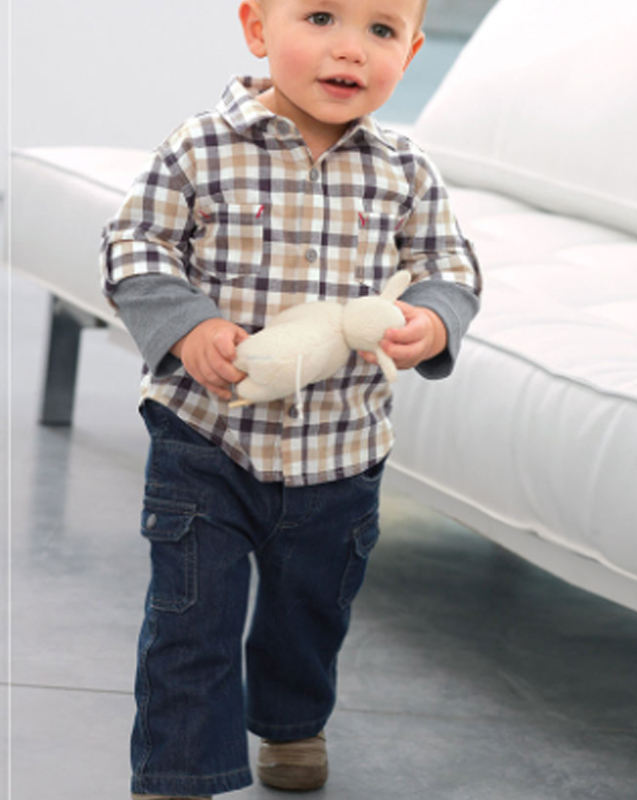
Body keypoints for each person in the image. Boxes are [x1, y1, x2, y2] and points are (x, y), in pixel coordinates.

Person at [101, 0, 481, 797]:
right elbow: (135, 245)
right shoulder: (201, 147)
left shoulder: (405, 169)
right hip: (207, 437)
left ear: (411, 53)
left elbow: (450, 267)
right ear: (257, 28)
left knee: (310, 612)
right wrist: (188, 325)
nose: (350, 49)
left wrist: (431, 320)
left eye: (380, 31)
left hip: (342, 447)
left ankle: (291, 721)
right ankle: (177, 773)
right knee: (191, 618)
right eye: (319, 17)